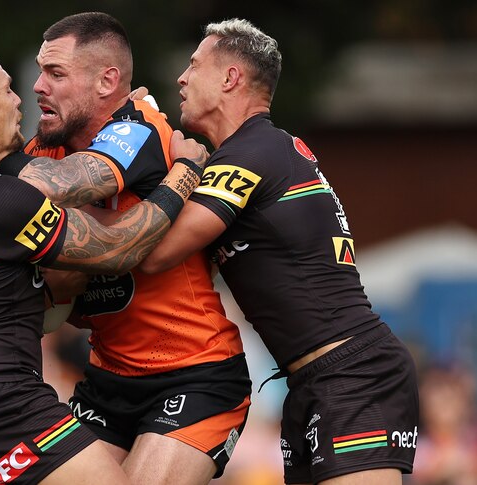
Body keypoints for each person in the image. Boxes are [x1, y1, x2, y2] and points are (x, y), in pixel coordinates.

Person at [0, 13, 251, 484]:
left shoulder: (140, 125)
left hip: (192, 373)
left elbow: (66, 205)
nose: (37, 88)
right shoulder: (41, 150)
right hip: (107, 380)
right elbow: (17, 213)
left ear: (108, 80)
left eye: (57, 74)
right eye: (39, 73)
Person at [140, 18, 419, 484]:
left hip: (353, 372)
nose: (181, 79)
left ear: (230, 78)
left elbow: (155, 253)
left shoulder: (250, 153)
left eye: (193, 65)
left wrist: (180, 167)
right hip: (311, 379)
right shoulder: (263, 149)